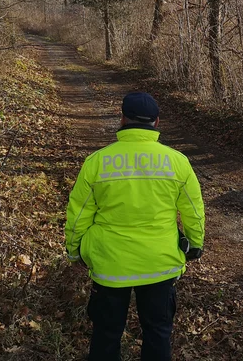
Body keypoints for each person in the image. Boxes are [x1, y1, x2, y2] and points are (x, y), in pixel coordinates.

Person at [65, 92, 205, 361]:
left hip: (109, 265)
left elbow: (78, 214)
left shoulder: (97, 162)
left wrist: (75, 251)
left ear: (122, 119)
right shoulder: (178, 162)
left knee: (106, 334)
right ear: (157, 122)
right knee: (157, 333)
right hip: (159, 265)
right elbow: (193, 210)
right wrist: (195, 244)